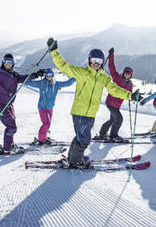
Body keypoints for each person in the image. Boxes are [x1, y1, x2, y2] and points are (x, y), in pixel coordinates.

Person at [46, 37, 143, 168]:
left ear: (102, 62)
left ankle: (72, 157)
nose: (96, 63)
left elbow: (114, 90)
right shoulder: (82, 73)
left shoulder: (104, 78)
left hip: (91, 113)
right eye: (93, 60)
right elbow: (63, 66)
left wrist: (131, 96)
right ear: (89, 60)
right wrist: (54, 51)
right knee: (84, 139)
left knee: (80, 137)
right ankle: (75, 162)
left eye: (99, 61)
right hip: (79, 112)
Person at [25, 68, 76, 145]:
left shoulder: (55, 84)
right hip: (42, 107)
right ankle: (41, 139)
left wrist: (76, 77)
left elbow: (67, 83)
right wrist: (22, 80)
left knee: (48, 124)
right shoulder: (41, 83)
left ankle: (44, 137)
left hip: (50, 108)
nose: (49, 77)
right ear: (45, 75)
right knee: (46, 124)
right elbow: (28, 83)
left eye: (51, 75)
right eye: (47, 75)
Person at [94, 47, 133, 142]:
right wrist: (111, 55)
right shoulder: (117, 78)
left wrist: (134, 96)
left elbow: (129, 95)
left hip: (117, 105)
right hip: (111, 103)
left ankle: (103, 133)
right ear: (123, 73)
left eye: (129, 74)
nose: (127, 75)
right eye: (126, 73)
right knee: (119, 119)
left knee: (113, 120)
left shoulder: (130, 85)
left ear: (131, 75)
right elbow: (111, 67)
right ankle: (113, 135)